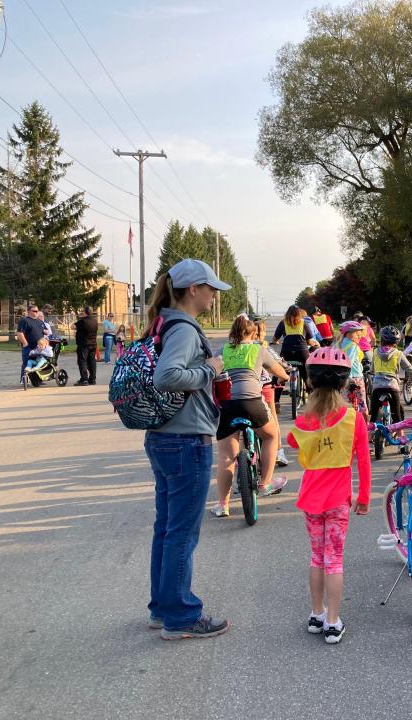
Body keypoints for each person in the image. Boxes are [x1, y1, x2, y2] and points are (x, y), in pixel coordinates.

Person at [146, 258, 231, 640]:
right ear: (193, 289)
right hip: (185, 440)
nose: (214, 295)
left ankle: (162, 609)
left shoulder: (164, 321)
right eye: (210, 288)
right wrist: (210, 369)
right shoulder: (182, 327)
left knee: (167, 529)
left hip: (165, 437)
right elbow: (167, 376)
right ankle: (180, 616)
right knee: (181, 533)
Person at [287, 347, 371, 644]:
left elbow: (291, 441)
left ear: (310, 381)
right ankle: (333, 622)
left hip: (310, 499)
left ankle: (316, 613)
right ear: (344, 382)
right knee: (334, 559)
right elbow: (363, 459)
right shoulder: (353, 419)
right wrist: (364, 496)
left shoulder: (302, 421)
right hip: (339, 501)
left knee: (316, 557)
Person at [210, 315, 290, 518]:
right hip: (253, 403)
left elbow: (210, 369)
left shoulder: (223, 350)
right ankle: (265, 483)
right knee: (271, 436)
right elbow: (277, 369)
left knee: (227, 457)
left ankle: (223, 505)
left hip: (229, 405)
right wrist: (286, 376)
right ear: (253, 332)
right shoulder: (258, 349)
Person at [256, 319, 290, 466]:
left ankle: (241, 454)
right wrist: (286, 372)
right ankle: (279, 452)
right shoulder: (263, 348)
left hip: (242, 390)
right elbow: (278, 364)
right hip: (264, 387)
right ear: (261, 333)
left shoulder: (236, 347)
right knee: (273, 419)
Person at [369, 325, 412, 427]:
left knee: (373, 415)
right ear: (396, 342)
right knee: (397, 415)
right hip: (392, 387)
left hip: (377, 388)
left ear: (382, 339)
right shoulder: (398, 354)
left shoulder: (375, 352)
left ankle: (369, 437)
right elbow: (410, 369)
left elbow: (372, 369)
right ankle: (401, 438)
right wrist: (410, 381)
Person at [273, 305, 319, 389]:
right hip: (302, 353)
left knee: (280, 372)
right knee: (307, 374)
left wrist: (275, 342)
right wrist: (315, 344)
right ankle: (311, 395)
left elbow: (275, 338)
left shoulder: (283, 323)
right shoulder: (303, 322)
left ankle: (276, 399)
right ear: (299, 314)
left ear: (287, 313)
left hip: (286, 353)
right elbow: (309, 341)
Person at [336, 320, 369, 421]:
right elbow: (348, 362)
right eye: (357, 334)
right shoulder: (353, 346)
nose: (360, 336)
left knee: (344, 406)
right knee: (362, 406)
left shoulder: (338, 345)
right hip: (355, 378)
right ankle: (365, 428)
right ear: (349, 334)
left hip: (342, 378)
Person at [15, 305, 46, 384]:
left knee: (38, 363)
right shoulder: (24, 320)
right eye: (34, 311)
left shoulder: (40, 321)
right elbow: (19, 333)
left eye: (37, 311)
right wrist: (25, 343)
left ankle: (38, 380)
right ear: (29, 311)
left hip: (39, 347)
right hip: (29, 347)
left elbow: (44, 331)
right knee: (27, 363)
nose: (36, 312)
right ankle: (24, 380)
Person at [72, 306, 98, 386]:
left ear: (86, 312)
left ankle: (84, 379)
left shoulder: (82, 321)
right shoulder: (95, 321)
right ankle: (92, 379)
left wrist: (78, 319)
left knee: (82, 361)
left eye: (83, 311)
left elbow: (72, 326)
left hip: (84, 344)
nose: (81, 313)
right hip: (93, 343)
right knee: (92, 361)